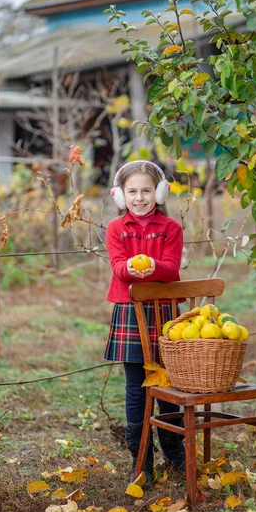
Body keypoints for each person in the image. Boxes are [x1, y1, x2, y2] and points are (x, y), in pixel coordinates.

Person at [105, 160, 185, 485]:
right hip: (129, 310)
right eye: (132, 191)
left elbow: (170, 269)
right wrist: (131, 270)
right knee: (136, 387)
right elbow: (118, 266)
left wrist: (150, 266)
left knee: (167, 383)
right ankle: (142, 462)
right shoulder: (115, 228)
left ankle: (174, 452)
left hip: (164, 311)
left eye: (147, 190)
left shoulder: (171, 228)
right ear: (121, 196)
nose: (140, 198)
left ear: (159, 192)